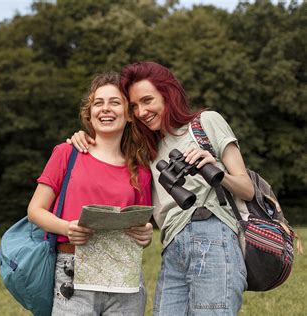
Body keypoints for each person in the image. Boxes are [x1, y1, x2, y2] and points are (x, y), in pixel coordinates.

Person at [68, 61, 254, 315]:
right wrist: (82, 136)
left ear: (167, 95)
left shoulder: (205, 123)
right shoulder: (146, 150)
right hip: (172, 246)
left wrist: (216, 172)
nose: (142, 111)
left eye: (147, 100)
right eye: (134, 106)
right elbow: (108, 148)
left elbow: (247, 189)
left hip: (212, 233)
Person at [27, 72, 153, 315]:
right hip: (72, 272)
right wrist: (66, 228)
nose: (106, 109)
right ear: (90, 113)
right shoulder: (66, 153)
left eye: (115, 102)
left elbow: (141, 227)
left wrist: (145, 234)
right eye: (98, 103)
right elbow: (35, 211)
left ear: (128, 114)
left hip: (124, 278)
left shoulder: (141, 171)